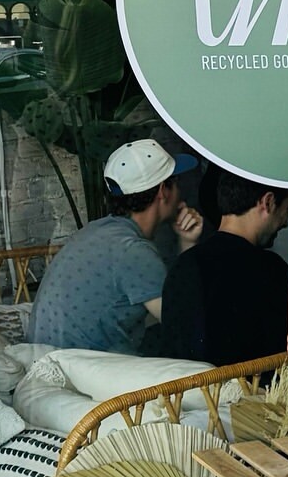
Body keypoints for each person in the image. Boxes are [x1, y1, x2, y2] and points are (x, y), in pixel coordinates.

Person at [30, 139, 201, 354]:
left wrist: (185, 240)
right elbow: (185, 325)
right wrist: (189, 243)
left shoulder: (96, 230)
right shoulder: (133, 251)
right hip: (83, 369)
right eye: (175, 182)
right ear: (162, 191)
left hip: (51, 358)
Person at [159, 174, 288, 366]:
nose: (286, 222)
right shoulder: (271, 270)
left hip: (187, 386)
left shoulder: (182, 265)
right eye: (287, 210)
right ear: (268, 202)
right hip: (252, 385)